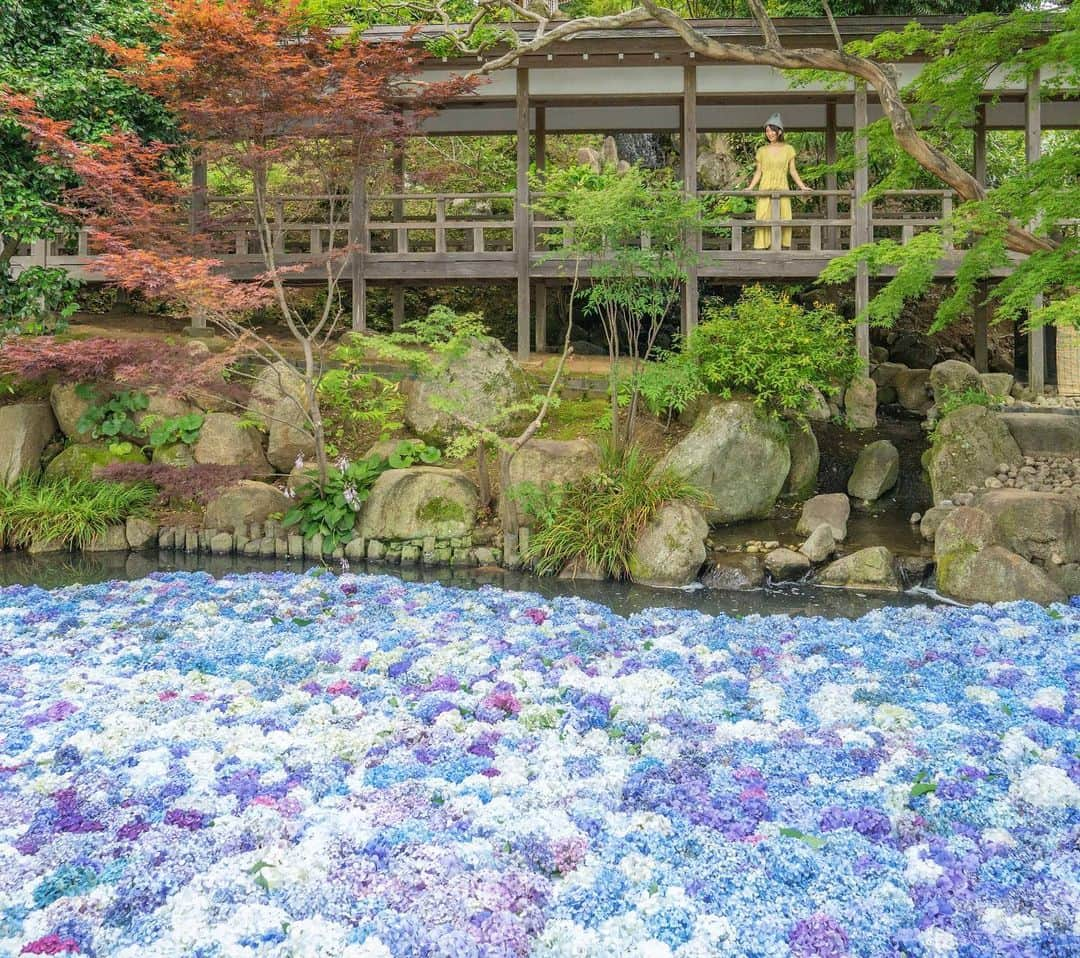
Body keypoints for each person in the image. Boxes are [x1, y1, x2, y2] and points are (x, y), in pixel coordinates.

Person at [746, 113, 810, 250]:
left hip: (782, 188)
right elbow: (759, 171)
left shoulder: (789, 149)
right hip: (765, 188)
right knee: (763, 217)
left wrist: (803, 187)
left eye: (772, 130)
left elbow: (792, 171)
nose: (769, 133)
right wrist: (750, 187)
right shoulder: (762, 150)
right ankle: (763, 249)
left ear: (779, 131)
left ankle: (781, 249)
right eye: (767, 131)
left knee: (783, 217)